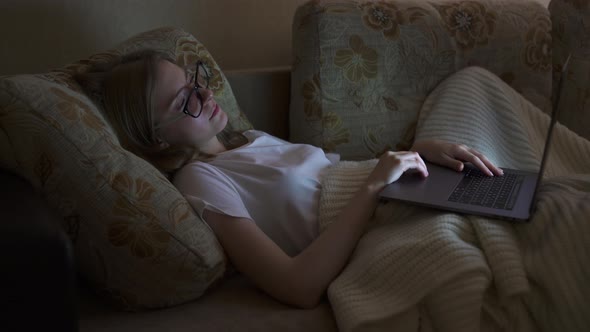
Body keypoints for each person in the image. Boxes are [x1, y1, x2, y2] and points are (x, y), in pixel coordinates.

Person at [76, 50, 504, 309]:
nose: (207, 94)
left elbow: (342, 172)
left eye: (195, 80)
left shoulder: (248, 138)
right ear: (154, 136)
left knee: (472, 85)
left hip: (399, 187)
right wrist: (375, 186)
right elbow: (297, 286)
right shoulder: (200, 181)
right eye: (184, 100)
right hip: (376, 225)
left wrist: (419, 150)